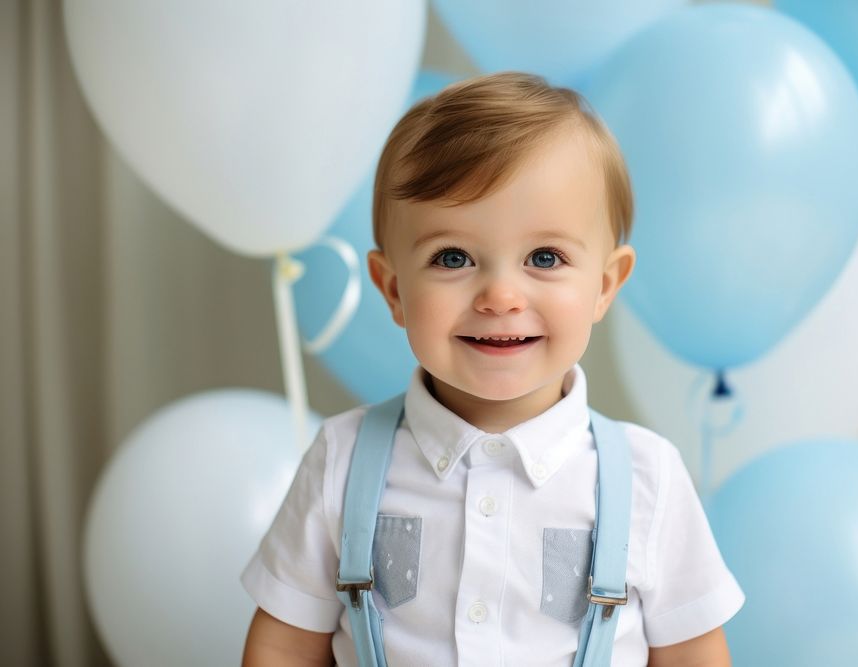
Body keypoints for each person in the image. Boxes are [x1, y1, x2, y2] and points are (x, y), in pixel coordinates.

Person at [240, 72, 744, 666]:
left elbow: (693, 657)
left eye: (544, 257)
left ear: (604, 286)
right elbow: (285, 649)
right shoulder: (342, 460)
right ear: (393, 289)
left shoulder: (647, 479)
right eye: (452, 257)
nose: (500, 296)